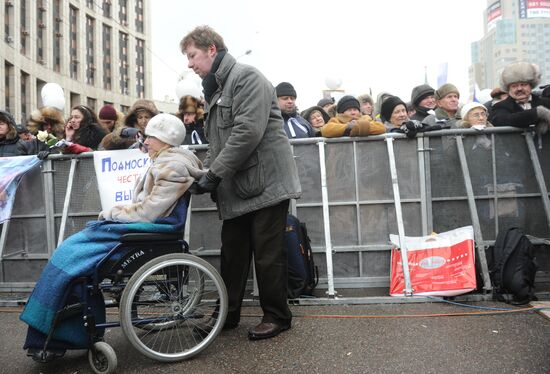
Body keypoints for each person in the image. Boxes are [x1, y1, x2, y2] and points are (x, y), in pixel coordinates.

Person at [20, 113, 204, 353]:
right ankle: (58, 333)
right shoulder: (166, 161)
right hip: (146, 227)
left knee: (72, 258)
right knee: (70, 253)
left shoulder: (173, 166)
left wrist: (113, 213)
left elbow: (149, 212)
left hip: (153, 229)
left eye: (150, 137)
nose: (145, 142)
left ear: (165, 140)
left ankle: (62, 334)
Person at [180, 25, 301, 340]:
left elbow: (247, 133)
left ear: (211, 50)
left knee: (267, 253)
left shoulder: (246, 78)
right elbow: (220, 143)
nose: (189, 64)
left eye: (192, 55)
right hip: (241, 186)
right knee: (232, 254)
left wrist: (214, 174)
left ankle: (277, 316)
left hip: (266, 184)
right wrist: (204, 173)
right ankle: (227, 316)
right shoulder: (218, 89)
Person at [490, 62, 550, 132]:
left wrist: (546, 122)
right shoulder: (500, 106)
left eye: (523, 84)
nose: (519, 89)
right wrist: (537, 113)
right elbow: (502, 120)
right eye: (514, 86)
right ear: (508, 89)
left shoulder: (546, 103)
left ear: (531, 86)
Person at [321, 95, 386, 138]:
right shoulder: (336, 120)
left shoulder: (365, 118)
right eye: (349, 110)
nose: (353, 112)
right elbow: (326, 130)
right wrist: (347, 127)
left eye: (355, 109)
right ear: (342, 112)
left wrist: (356, 127)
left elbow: (381, 128)